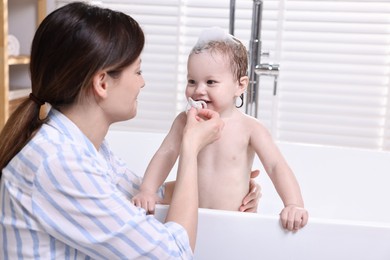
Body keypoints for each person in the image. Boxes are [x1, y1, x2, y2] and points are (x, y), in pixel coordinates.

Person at [0, 4, 261, 259]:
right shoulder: (60, 163)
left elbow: (148, 197)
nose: (143, 82)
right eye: (138, 71)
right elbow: (173, 254)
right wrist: (190, 148)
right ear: (102, 83)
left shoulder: (88, 149)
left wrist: (228, 189)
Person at [132, 27, 309, 231]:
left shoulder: (250, 128)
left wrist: (293, 204)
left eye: (210, 82)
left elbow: (276, 166)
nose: (198, 90)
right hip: (189, 218)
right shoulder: (184, 121)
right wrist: (148, 190)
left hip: (232, 223)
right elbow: (166, 153)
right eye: (192, 81)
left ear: (240, 86)